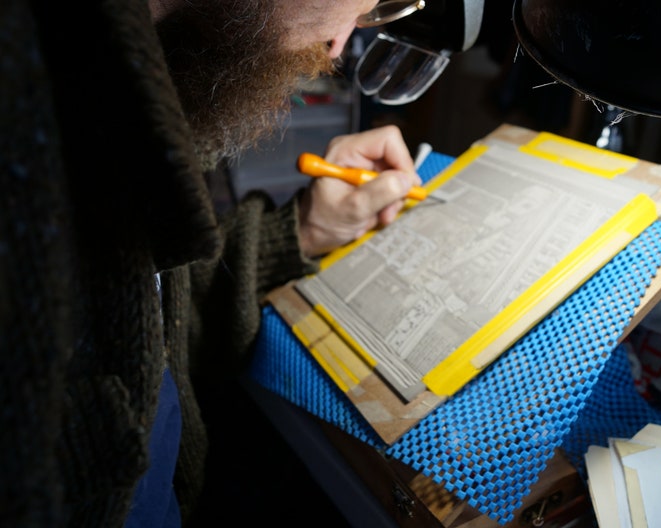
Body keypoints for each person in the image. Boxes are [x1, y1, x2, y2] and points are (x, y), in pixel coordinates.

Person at [1, 0, 423, 526]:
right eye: (369, 2)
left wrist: (306, 229)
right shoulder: (27, 123)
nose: (337, 49)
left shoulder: (119, 87)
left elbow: (141, 314)